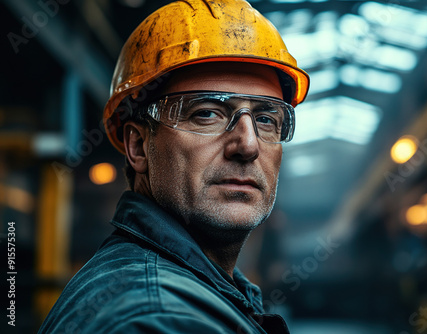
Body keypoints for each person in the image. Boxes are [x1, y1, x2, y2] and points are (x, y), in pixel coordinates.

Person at [38, 0, 309, 333]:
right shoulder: (157, 319)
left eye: (266, 119)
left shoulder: (195, 293)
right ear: (138, 146)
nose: (249, 145)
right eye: (207, 113)